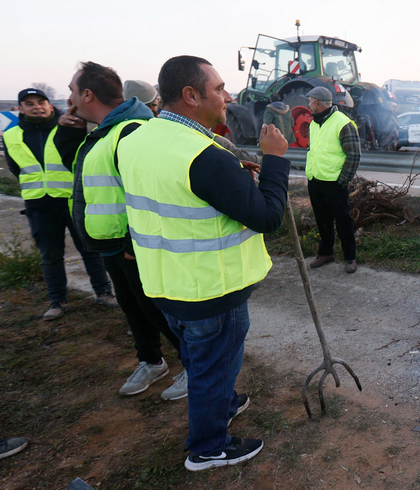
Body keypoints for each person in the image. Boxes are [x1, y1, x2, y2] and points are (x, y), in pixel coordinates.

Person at [118, 55, 290, 471]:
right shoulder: (203, 155)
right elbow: (268, 217)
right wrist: (275, 160)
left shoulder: (137, 139)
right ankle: (209, 447)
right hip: (211, 288)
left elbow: (172, 193)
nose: (228, 97)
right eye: (218, 89)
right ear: (191, 96)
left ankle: (224, 403)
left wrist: (232, 177)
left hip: (164, 283)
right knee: (213, 363)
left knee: (200, 360)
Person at [68, 62, 186, 400]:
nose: (70, 99)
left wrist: (134, 241)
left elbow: (152, 190)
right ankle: (151, 361)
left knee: (159, 310)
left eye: (72, 91)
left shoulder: (131, 130)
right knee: (133, 307)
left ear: (87, 93)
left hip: (133, 244)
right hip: (110, 243)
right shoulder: (104, 131)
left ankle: (194, 367)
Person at [2, 87, 114, 320]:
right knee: (50, 255)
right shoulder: (10, 135)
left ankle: (103, 293)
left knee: (90, 249)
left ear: (49, 105)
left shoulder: (66, 126)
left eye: (41, 102)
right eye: (30, 103)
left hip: (71, 200)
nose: (37, 107)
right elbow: (15, 168)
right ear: (21, 109)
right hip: (38, 205)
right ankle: (57, 301)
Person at [304, 86, 361, 273]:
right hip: (315, 179)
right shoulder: (314, 123)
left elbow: (354, 155)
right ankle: (326, 253)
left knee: (343, 220)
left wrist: (342, 181)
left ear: (317, 102)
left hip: (335, 183)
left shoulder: (343, 123)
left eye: (310, 101)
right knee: (322, 220)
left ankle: (350, 257)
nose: (309, 104)